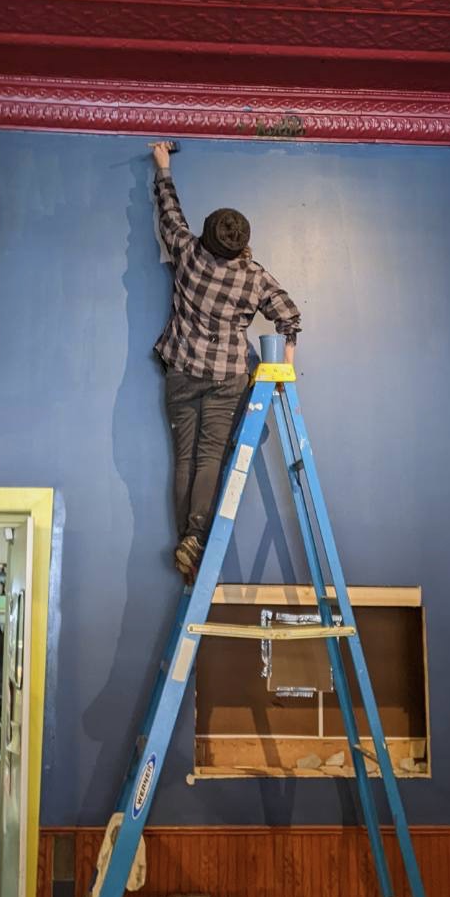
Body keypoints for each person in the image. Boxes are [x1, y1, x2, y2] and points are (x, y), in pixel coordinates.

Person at [151, 142, 301, 577]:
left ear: (207, 235)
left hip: (182, 371)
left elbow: (169, 215)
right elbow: (289, 315)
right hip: (228, 378)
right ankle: (195, 538)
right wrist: (285, 363)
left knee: (183, 459)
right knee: (211, 456)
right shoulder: (253, 277)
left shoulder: (188, 254)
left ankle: (187, 543)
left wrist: (163, 167)